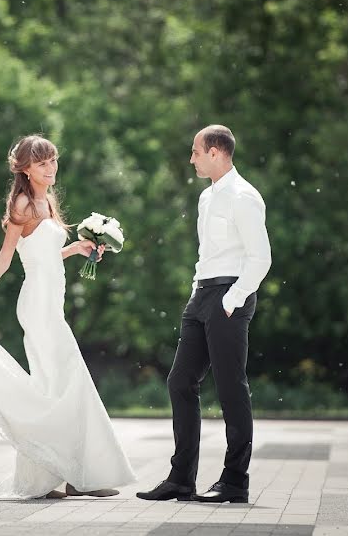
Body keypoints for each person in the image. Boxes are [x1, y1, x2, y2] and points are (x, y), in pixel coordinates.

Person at [0, 133, 137, 500]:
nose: (50, 168)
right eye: (42, 163)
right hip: (38, 307)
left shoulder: (48, 201)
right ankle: (77, 476)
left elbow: (43, 256)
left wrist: (76, 248)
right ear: (25, 169)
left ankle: (50, 477)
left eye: (53, 160)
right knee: (70, 382)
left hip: (51, 303)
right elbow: (5, 259)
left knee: (55, 389)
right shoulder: (23, 204)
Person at [137, 125, 271, 504]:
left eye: (195, 151)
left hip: (230, 295)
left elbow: (261, 258)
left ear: (215, 151)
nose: (191, 158)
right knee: (180, 382)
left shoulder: (245, 196)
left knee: (231, 389)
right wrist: (198, 291)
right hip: (202, 295)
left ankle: (234, 482)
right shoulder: (206, 198)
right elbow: (206, 254)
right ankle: (181, 479)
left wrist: (233, 298)